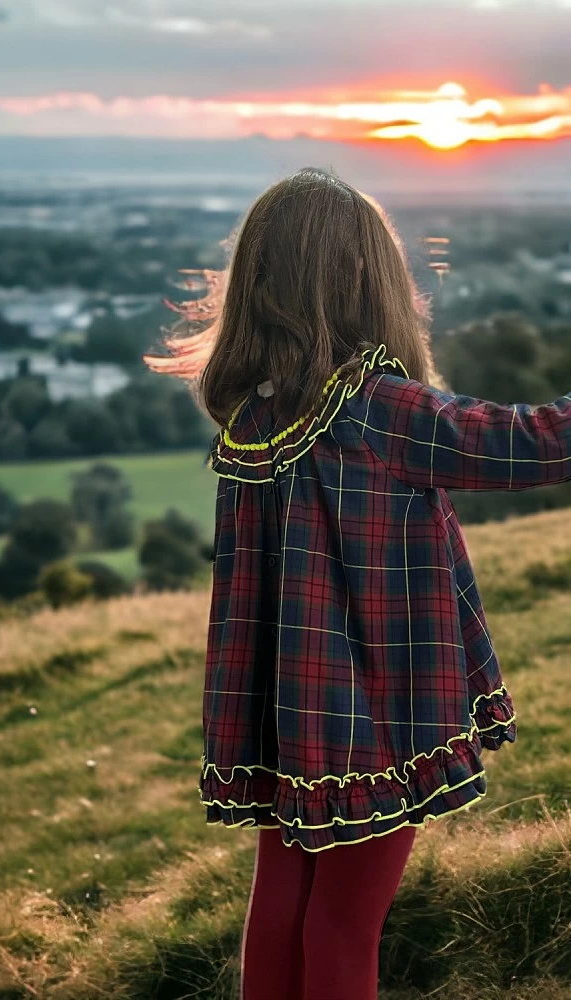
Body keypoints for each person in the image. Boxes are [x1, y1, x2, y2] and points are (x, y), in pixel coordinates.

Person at [144, 168, 571, 1000]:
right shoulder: (376, 409)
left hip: (290, 719)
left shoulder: (258, 416)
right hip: (374, 717)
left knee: (285, 907)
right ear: (369, 281)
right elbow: (535, 441)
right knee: (345, 927)